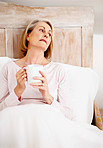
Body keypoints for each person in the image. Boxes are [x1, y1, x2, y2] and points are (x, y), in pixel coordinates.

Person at [0, 19, 103, 148]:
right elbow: (1, 109)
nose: (46, 35)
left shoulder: (57, 70)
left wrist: (47, 96)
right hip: (15, 120)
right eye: (42, 30)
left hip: (47, 118)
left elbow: (68, 114)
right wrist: (17, 91)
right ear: (28, 36)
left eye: (49, 34)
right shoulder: (9, 68)